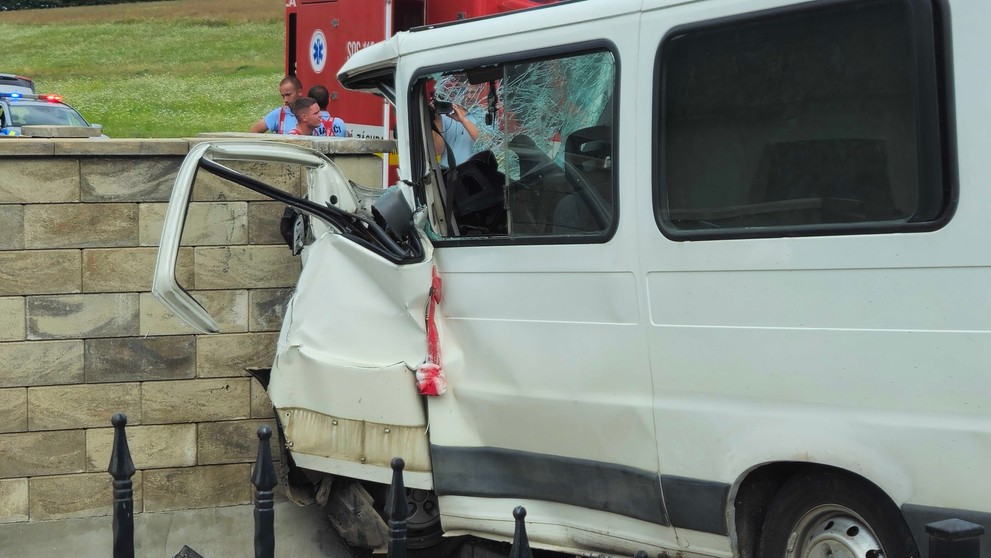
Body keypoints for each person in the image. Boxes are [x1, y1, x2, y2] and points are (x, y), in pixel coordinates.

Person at [432, 100, 479, 169]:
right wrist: (438, 120)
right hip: (446, 170)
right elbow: (437, 150)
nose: (468, 96)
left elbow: (485, 142)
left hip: (472, 171)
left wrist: (463, 120)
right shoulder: (444, 115)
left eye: (472, 92)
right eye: (466, 92)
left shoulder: (483, 115)